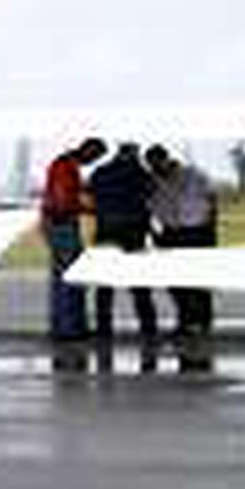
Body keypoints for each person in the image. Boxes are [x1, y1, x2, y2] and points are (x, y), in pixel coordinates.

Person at [84, 141, 158, 344]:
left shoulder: (100, 172)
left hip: (105, 232)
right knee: (140, 285)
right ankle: (148, 327)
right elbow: (153, 194)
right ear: (134, 153)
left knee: (105, 286)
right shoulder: (141, 173)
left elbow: (88, 198)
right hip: (134, 234)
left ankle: (103, 328)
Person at [145, 144, 219, 338]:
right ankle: (185, 321)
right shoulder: (154, 181)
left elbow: (212, 200)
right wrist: (156, 234)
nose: (154, 168)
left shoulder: (194, 174)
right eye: (151, 165)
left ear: (165, 158)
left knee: (199, 280)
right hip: (171, 233)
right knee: (175, 281)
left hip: (197, 232)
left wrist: (211, 231)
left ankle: (202, 321)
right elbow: (151, 209)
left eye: (156, 163)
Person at [39, 137, 105, 342]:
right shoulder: (65, 167)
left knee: (63, 276)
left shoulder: (66, 165)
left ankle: (66, 325)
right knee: (69, 276)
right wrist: (88, 209)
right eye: (94, 156)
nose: (92, 161)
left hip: (59, 223)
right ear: (87, 150)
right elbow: (62, 201)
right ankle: (69, 328)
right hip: (62, 224)